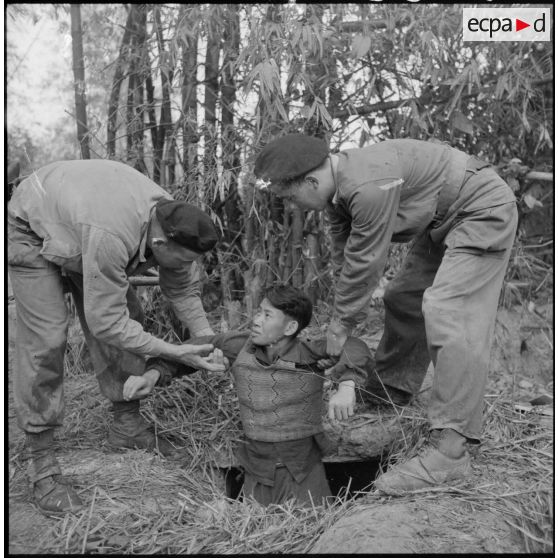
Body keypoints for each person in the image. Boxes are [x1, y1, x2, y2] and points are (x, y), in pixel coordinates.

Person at [253, 134, 518, 495]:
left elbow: (367, 261)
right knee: (403, 297)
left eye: (291, 197)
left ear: (311, 182)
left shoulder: (367, 186)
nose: (294, 206)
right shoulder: (337, 199)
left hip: (480, 209)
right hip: (441, 221)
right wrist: (339, 328)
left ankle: (452, 452)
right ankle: (388, 393)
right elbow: (345, 259)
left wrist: (342, 324)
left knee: (448, 309)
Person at [7, 159, 226, 515]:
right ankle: (42, 465)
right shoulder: (114, 236)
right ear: (159, 241)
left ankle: (127, 427)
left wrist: (207, 338)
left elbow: (183, 291)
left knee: (131, 316)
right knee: (46, 337)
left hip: (83, 221)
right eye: (183, 259)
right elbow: (105, 322)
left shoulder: (173, 221)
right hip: (32, 226)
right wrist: (175, 351)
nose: (186, 265)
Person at [123, 285, 373, 507]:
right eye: (258, 312)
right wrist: (153, 374)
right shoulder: (239, 346)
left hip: (302, 471)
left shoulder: (310, 352)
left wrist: (347, 385)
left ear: (290, 327)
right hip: (257, 469)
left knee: (311, 530)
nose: (256, 320)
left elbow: (354, 346)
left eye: (267, 315)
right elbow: (193, 348)